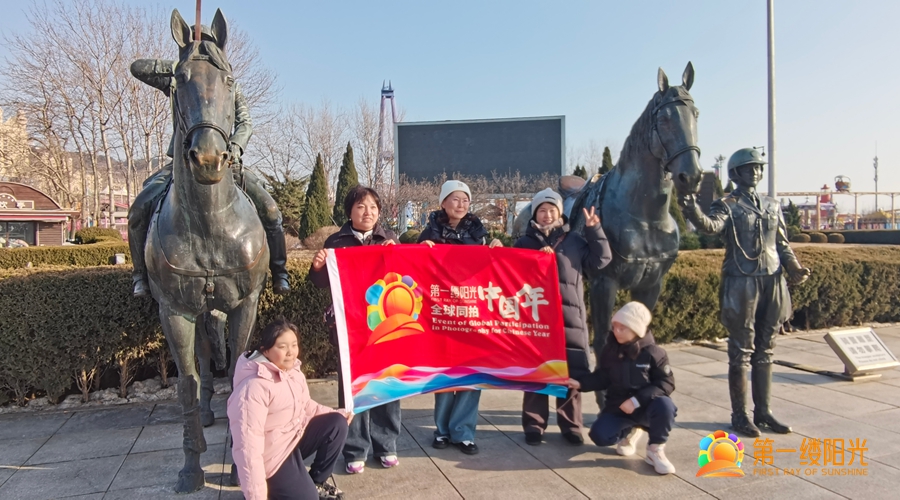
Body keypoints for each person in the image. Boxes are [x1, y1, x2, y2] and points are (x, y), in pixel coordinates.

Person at [127, 25, 290, 298]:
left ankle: (279, 271)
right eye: (198, 45)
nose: (203, 50)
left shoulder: (229, 83)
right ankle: (140, 275)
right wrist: (184, 65)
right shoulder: (179, 79)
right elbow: (137, 68)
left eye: (207, 46)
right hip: (182, 165)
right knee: (138, 211)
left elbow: (245, 123)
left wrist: (235, 147)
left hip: (226, 161)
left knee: (271, 211)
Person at [679, 147, 810, 437]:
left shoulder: (772, 205)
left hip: (772, 279)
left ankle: (764, 411)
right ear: (736, 173)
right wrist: (691, 209)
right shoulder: (728, 204)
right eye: (749, 168)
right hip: (741, 281)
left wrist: (795, 268)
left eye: (758, 167)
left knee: (766, 349)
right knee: (740, 351)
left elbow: (781, 243)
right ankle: (739, 415)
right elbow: (710, 227)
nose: (756, 172)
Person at [309, 186, 402, 474]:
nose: (368, 212)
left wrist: (398, 254)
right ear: (349, 211)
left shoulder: (389, 239)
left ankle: (386, 445)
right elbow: (322, 283)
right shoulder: (336, 241)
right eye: (361, 206)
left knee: (387, 382)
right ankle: (355, 448)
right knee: (353, 388)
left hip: (383, 325)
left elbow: (403, 278)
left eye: (373, 207)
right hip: (349, 328)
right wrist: (318, 267)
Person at [514, 188, 611, 446]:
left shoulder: (574, 241)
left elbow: (601, 260)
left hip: (570, 318)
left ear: (560, 213)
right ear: (534, 214)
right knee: (537, 372)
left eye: (552, 210)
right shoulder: (524, 243)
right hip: (535, 318)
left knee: (571, 371)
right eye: (542, 210)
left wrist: (595, 230)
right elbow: (510, 277)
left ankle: (571, 426)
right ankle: (534, 425)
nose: (547, 215)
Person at [419, 179, 503, 455]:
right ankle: (442, 431)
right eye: (455, 199)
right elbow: (416, 271)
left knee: (471, 373)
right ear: (443, 203)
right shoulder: (429, 233)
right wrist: (422, 251)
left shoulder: (479, 233)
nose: (461, 204)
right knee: (444, 375)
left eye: (465, 200)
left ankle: (464, 432)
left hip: (471, 314)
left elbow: (491, 272)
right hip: (441, 315)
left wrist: (496, 250)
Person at [227, 318, 350, 500]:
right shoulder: (253, 388)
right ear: (265, 350)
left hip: (292, 439)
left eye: (294, 345)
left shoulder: (292, 371)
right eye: (282, 347)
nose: (290, 352)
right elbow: (248, 449)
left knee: (337, 424)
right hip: (271, 456)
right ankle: (268, 487)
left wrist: (337, 413)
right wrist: (256, 495)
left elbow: (306, 405)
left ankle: (316, 482)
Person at [569, 302, 677, 475]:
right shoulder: (609, 350)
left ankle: (655, 449)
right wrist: (581, 384)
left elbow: (666, 383)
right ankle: (629, 431)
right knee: (599, 436)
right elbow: (603, 377)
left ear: (636, 329)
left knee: (665, 406)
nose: (616, 331)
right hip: (619, 407)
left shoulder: (655, 353)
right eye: (614, 327)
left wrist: (636, 401)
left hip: (647, 406)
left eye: (622, 328)